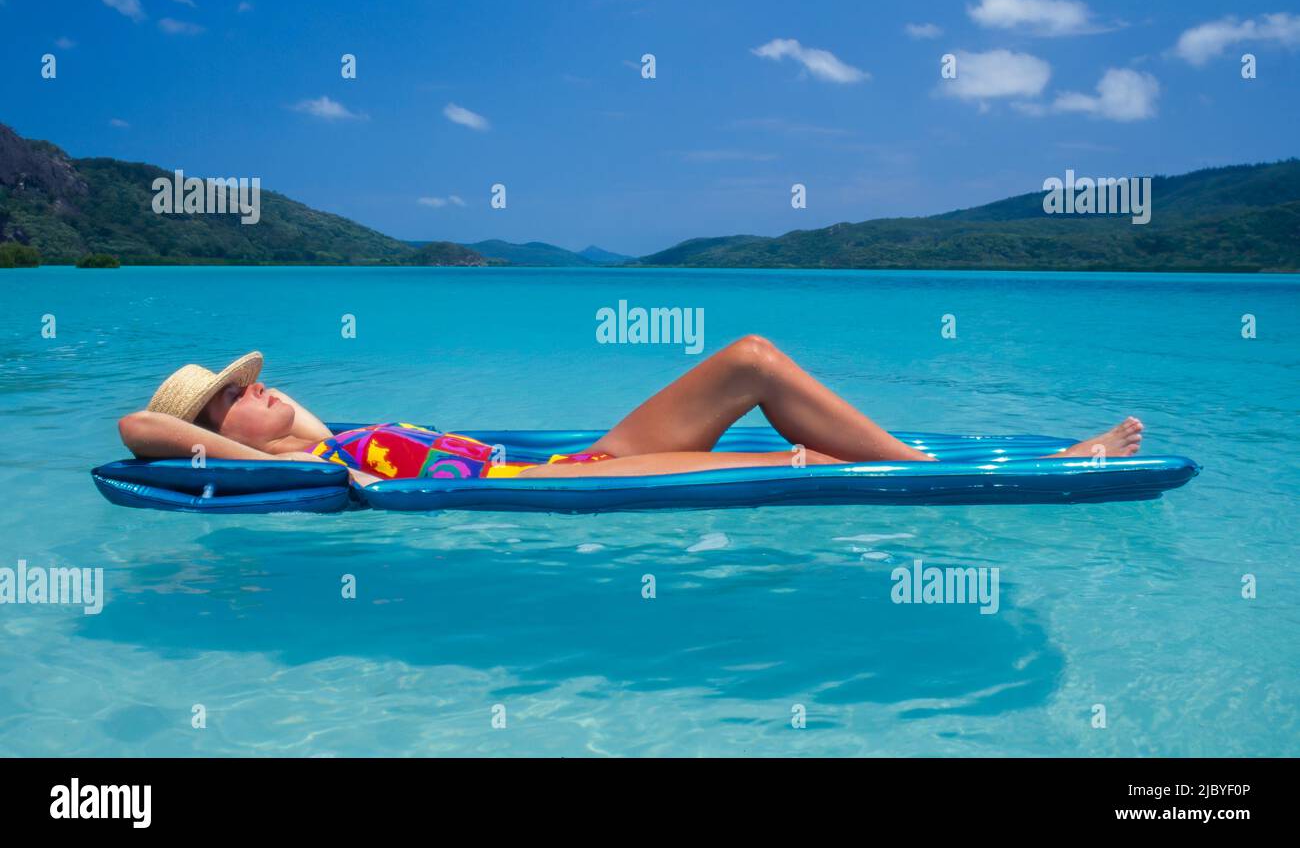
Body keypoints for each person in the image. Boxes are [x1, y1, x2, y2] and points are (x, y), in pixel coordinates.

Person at [118, 336, 1144, 486]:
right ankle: (1054, 462)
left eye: (251, 379)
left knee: (749, 360)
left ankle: (955, 462)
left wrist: (266, 420)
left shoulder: (339, 435)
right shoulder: (305, 473)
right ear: (220, 434)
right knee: (799, 470)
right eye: (234, 400)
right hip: (568, 489)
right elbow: (143, 432)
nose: (258, 391)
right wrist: (211, 433)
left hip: (591, 459)